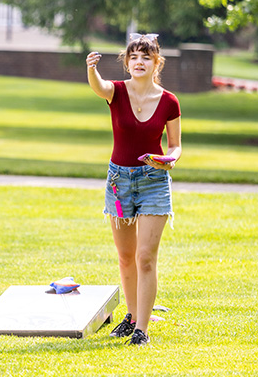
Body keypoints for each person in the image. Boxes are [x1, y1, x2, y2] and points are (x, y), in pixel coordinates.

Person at [85, 33, 182, 346]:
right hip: (119, 182)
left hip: (154, 182)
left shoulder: (169, 101)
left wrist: (169, 160)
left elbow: (176, 145)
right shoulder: (116, 91)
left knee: (145, 258)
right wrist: (91, 69)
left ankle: (142, 329)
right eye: (134, 57)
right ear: (127, 63)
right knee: (126, 256)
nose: (139, 62)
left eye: (146, 57)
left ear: (157, 63)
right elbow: (98, 87)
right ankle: (130, 316)